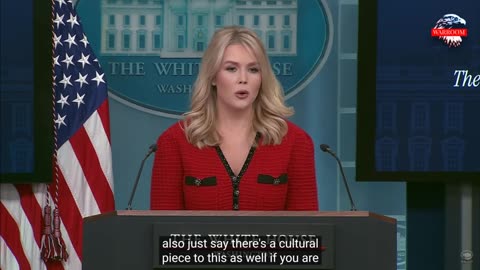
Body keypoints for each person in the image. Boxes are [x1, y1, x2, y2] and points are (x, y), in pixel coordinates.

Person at [150, 26, 318, 211]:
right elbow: (163, 233)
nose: (243, 79)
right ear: (213, 76)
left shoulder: (295, 142)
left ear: (263, 77)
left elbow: (309, 234)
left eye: (253, 69)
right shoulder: (175, 141)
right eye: (231, 69)